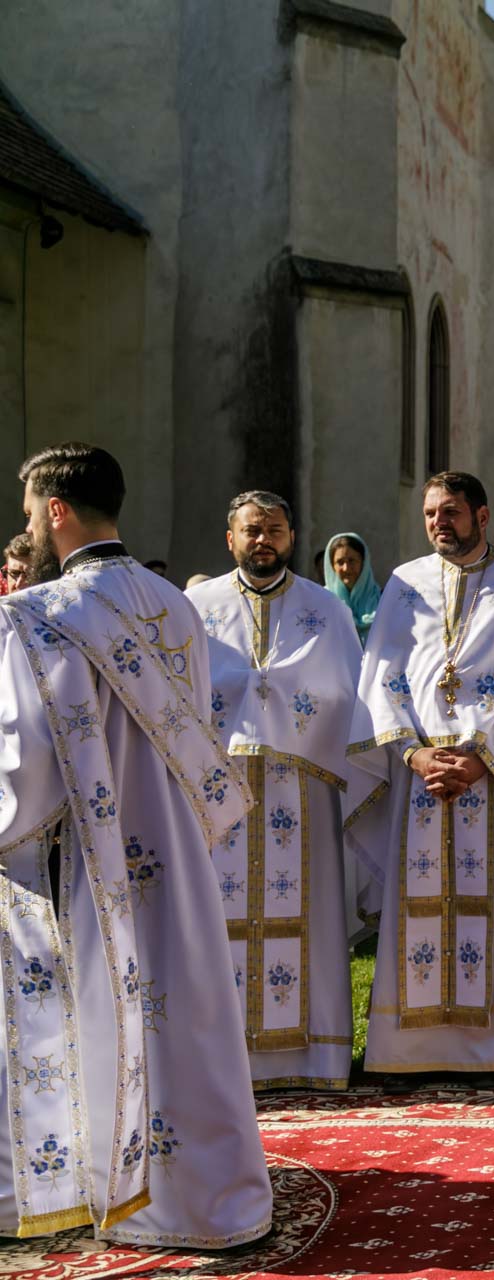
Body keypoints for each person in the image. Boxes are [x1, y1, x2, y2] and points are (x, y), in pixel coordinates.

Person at [0, 443, 270, 1245]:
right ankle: (201, 1198)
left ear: (55, 511)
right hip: (179, 851)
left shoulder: (39, 613)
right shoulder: (175, 601)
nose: (27, 529)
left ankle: (95, 1186)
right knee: (184, 1011)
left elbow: (26, 757)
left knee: (99, 1008)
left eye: (27, 514)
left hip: (93, 856)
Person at [346, 471, 494, 1075]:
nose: (439, 522)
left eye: (451, 511)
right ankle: (408, 1052)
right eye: (429, 514)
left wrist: (483, 757)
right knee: (414, 903)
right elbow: (382, 674)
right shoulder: (403, 584)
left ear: (482, 515)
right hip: (417, 772)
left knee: (489, 905)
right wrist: (413, 754)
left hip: (490, 773)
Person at [186, 491, 361, 1091]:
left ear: (292, 537)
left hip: (302, 788)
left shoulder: (326, 611)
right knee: (217, 917)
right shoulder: (196, 608)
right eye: (252, 531)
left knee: (306, 913)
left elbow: (347, 696)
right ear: (229, 538)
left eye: (276, 530)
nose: (264, 541)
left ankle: (312, 1057)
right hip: (220, 788)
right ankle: (220, 1060)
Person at [325, 532, 382, 645]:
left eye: (352, 561)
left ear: (363, 563)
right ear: (332, 566)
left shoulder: (382, 600)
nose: (346, 568)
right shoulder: (322, 602)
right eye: (340, 562)